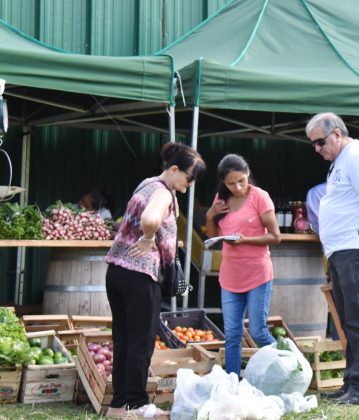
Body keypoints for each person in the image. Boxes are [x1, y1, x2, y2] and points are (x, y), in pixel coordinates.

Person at [104, 142, 205, 419]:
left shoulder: (145, 184)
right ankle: (137, 405)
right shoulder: (162, 192)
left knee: (123, 340)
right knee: (141, 341)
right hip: (140, 275)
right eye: (188, 179)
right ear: (174, 170)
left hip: (117, 271)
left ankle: (118, 407)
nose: (187, 186)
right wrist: (149, 237)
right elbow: (150, 219)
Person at [306, 112, 359, 405]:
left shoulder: (357, 156)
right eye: (313, 145)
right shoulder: (340, 162)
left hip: (358, 247)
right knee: (349, 320)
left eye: (320, 142)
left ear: (338, 133)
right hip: (343, 249)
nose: (317, 149)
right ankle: (352, 383)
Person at [204, 154, 281, 377]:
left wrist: (245, 240)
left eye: (242, 181)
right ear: (223, 183)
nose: (237, 187)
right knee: (232, 333)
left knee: (258, 330)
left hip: (258, 273)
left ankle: (290, 364)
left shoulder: (260, 197)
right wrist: (210, 216)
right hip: (230, 276)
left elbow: (276, 237)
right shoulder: (221, 199)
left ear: (248, 174)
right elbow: (211, 241)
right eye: (231, 183)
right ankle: (232, 380)